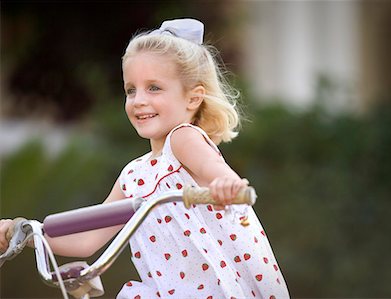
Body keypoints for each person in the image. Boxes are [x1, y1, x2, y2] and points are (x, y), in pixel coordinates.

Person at [0, 18, 290, 299]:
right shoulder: (134, 175)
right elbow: (88, 238)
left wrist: (228, 187)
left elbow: (218, 172)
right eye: (131, 90)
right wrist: (25, 232)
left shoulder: (183, 139)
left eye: (154, 88)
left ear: (193, 98)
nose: (139, 100)